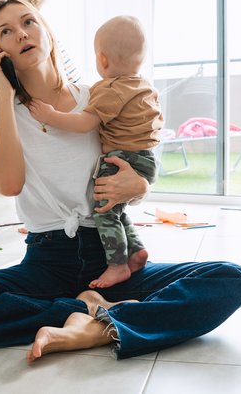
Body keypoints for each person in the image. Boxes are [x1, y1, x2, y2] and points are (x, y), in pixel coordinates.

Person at [0, 0, 241, 362]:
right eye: (6, 31)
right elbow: (9, 184)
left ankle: (95, 325)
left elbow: (135, 159)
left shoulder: (97, 97)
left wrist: (141, 187)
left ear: (47, 33)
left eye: (28, 22)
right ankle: (92, 315)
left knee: (230, 279)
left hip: (110, 259)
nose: (21, 33)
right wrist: (4, 97)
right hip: (46, 260)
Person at [29, 15, 162, 288]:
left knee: (104, 211)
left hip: (120, 157)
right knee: (117, 210)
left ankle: (116, 265)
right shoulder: (144, 85)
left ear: (102, 59)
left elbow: (84, 123)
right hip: (147, 159)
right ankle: (136, 251)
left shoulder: (110, 89)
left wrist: (51, 115)